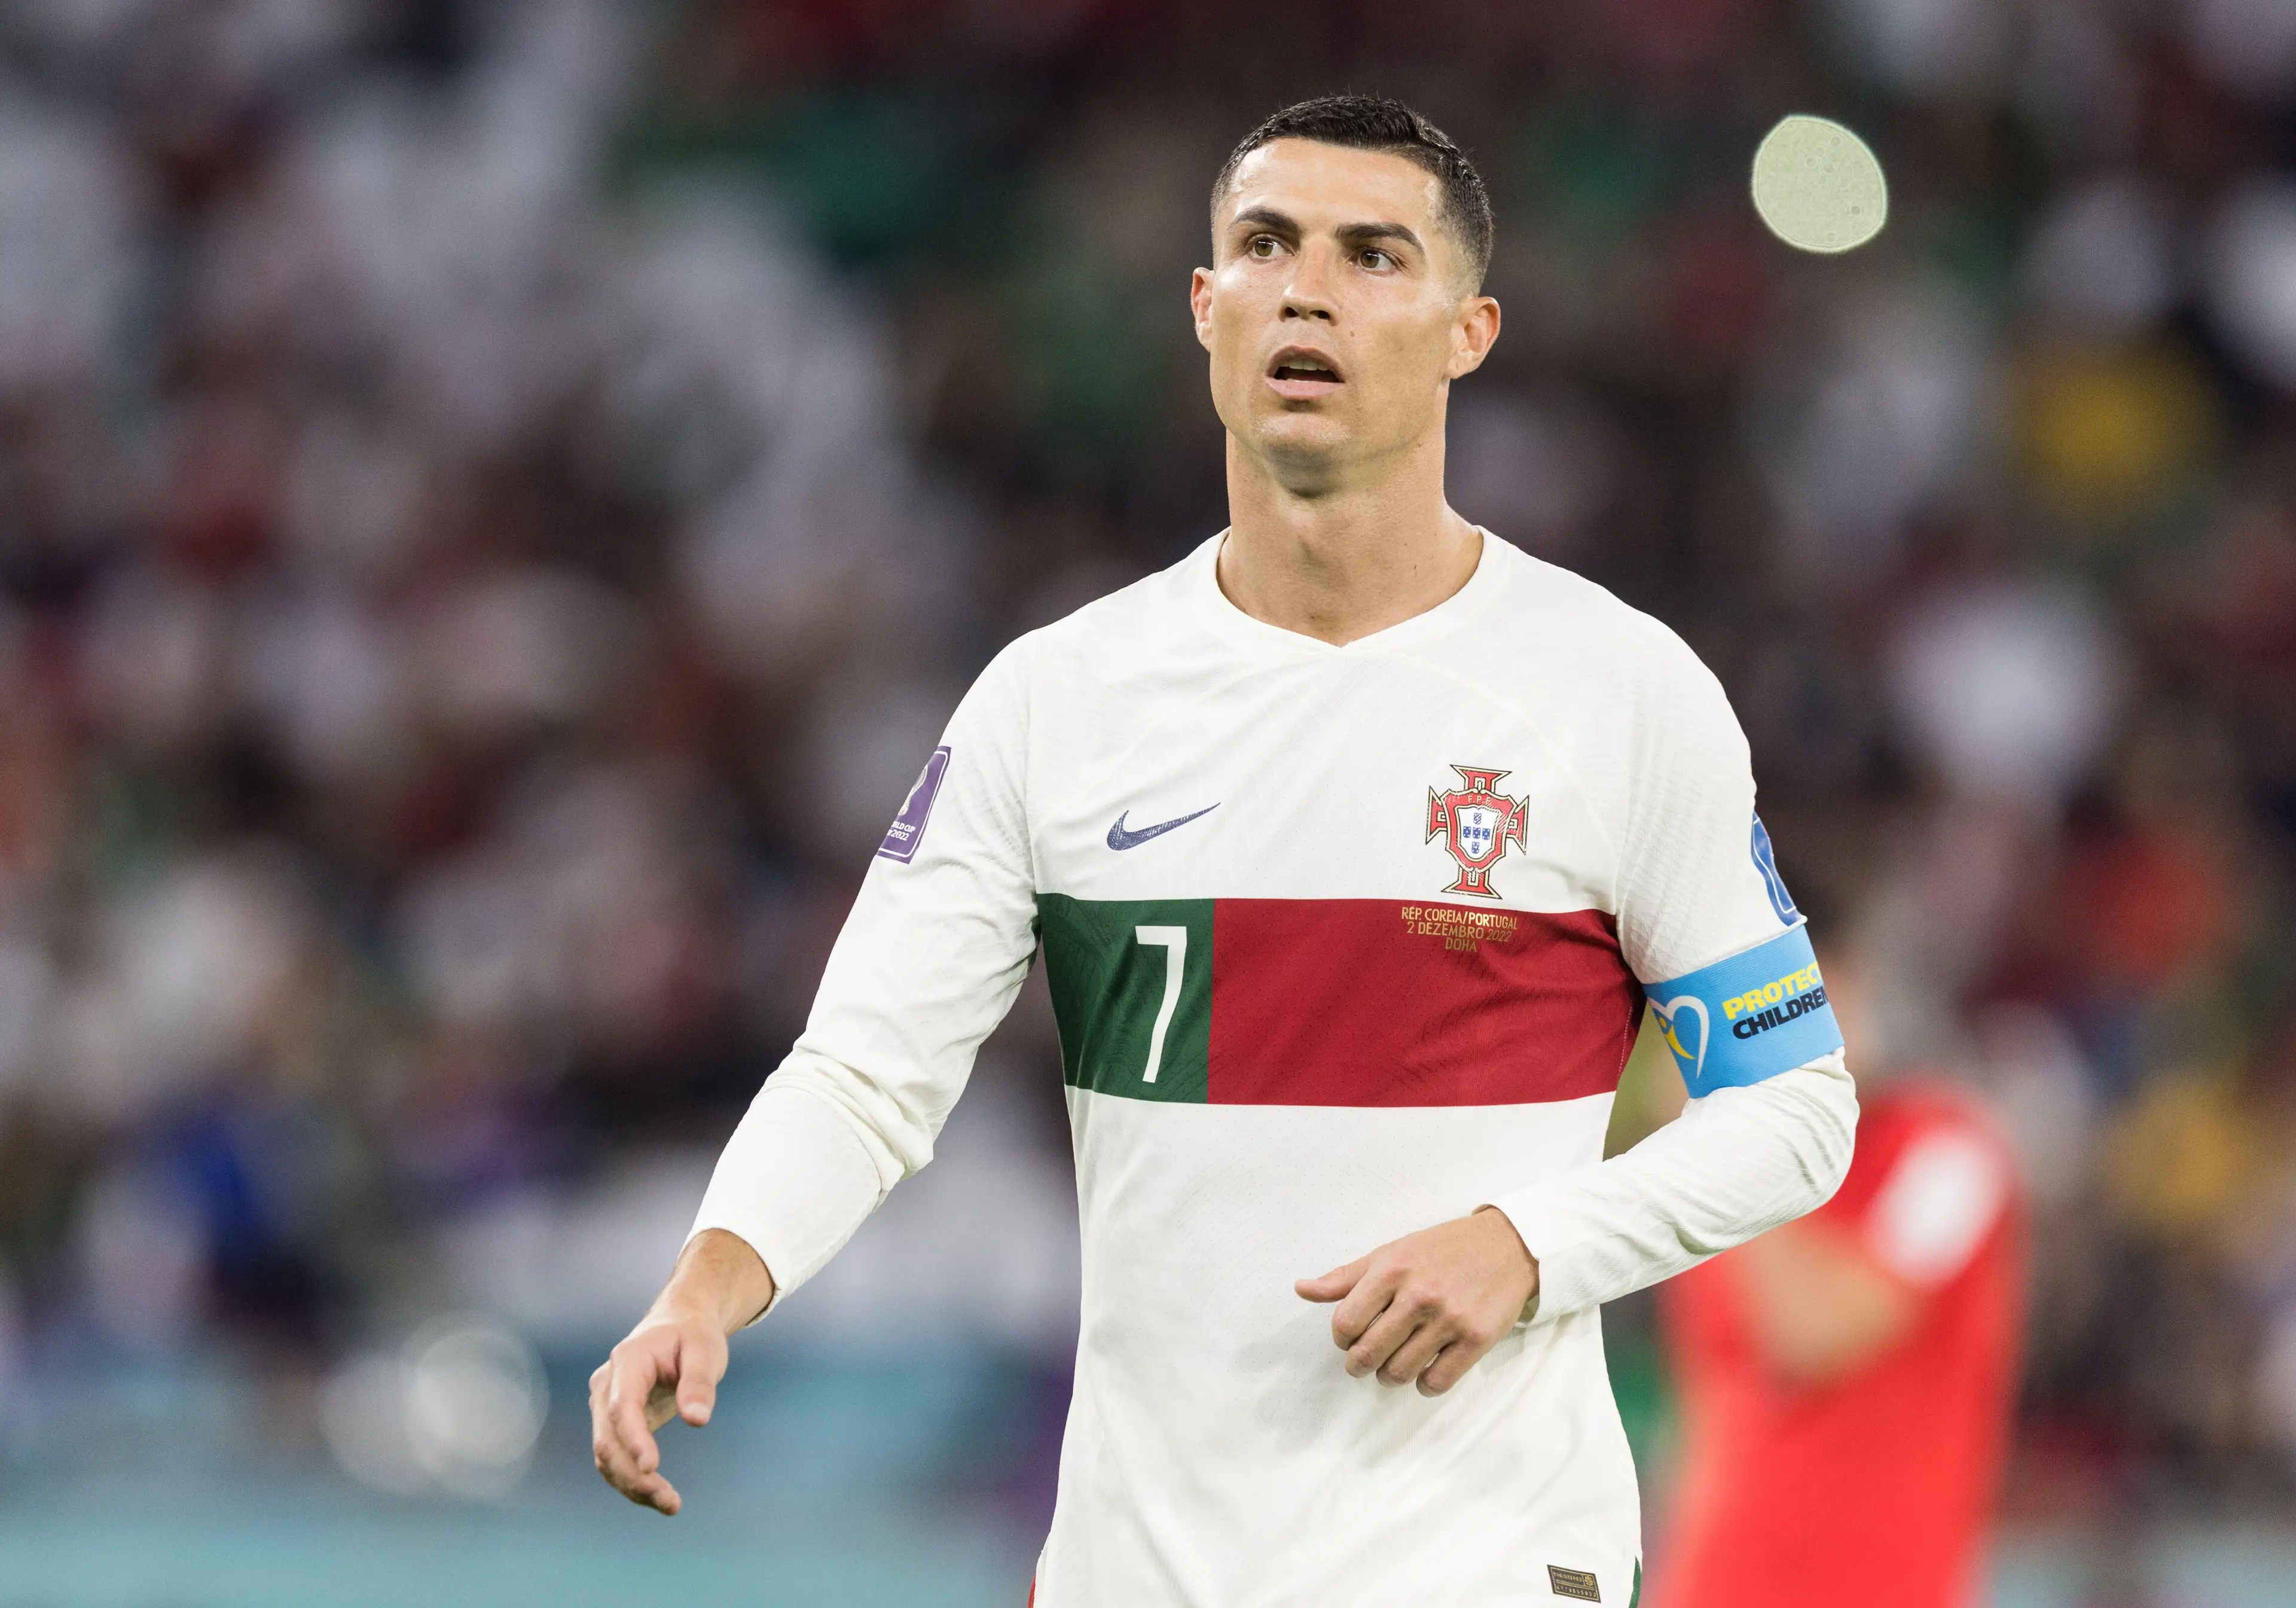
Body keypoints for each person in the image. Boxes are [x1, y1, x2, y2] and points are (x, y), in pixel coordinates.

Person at [590, 94, 1859, 1606]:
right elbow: (866, 1071)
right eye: (1265, 246)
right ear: (1205, 310)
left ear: (1470, 329)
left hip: (1485, 1562)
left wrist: (1530, 1244)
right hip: (1140, 1570)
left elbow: (1792, 1108)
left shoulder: (1618, 689)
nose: (1307, 289)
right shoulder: (1057, 700)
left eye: (1373, 255)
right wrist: (708, 1281)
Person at [1650, 950, 2025, 1608]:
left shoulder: (1946, 1153)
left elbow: (1817, 1331)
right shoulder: (1706, 1186)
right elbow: (1708, 1415)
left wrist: (1730, 1139)